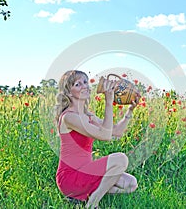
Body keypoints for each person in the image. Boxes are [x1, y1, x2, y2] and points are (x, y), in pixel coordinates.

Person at [55, 70, 138, 208]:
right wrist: (108, 101)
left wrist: (130, 111)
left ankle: (83, 197)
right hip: (70, 178)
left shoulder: (88, 115)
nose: (84, 86)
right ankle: (93, 202)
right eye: (77, 84)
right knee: (120, 159)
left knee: (130, 183)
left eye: (85, 82)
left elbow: (116, 132)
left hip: (86, 172)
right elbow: (105, 136)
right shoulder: (69, 117)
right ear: (69, 92)